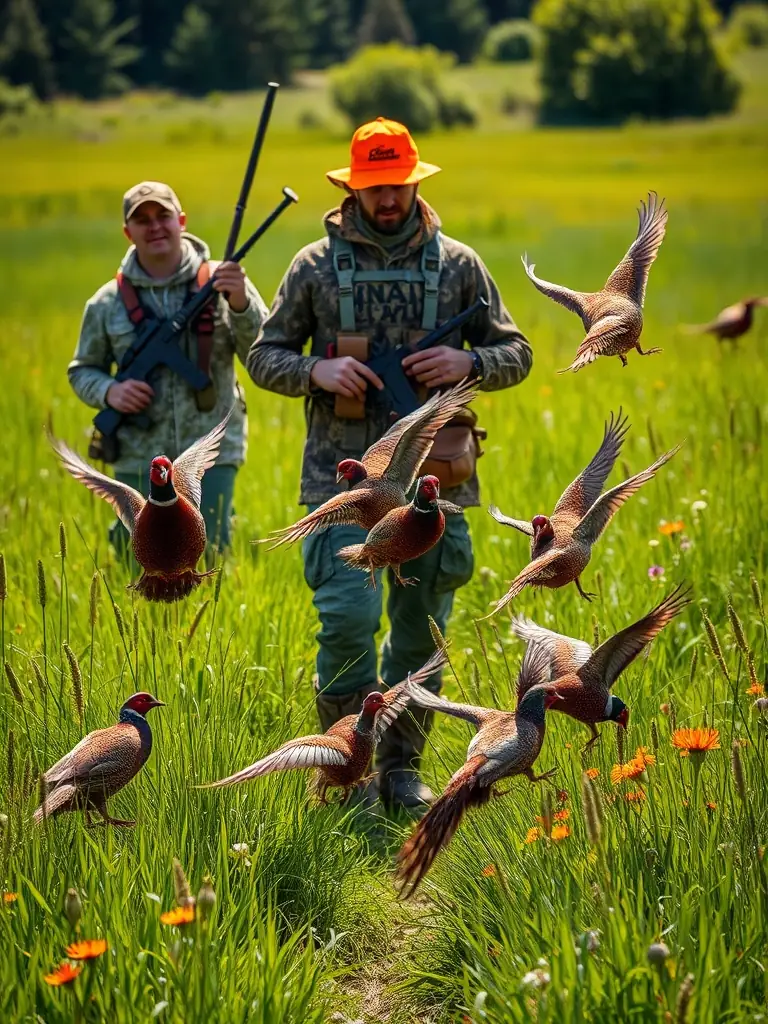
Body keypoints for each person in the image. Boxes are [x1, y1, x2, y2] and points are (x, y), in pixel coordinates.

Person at [247, 118, 532, 813]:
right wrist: (319, 369)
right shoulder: (314, 267)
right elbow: (262, 355)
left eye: (396, 185)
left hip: (436, 496)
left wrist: (471, 361)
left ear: (413, 181)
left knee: (418, 632)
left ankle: (402, 770)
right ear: (353, 185)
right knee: (346, 622)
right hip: (337, 490)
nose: (385, 200)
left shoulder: (459, 264)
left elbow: (517, 352)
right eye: (373, 187)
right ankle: (346, 775)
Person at [68, 181, 268, 551]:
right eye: (142, 220)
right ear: (129, 233)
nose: (155, 226)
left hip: (212, 452)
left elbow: (264, 353)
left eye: (163, 216)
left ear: (182, 221)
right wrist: (111, 391)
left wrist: (240, 302)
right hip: (136, 453)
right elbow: (81, 369)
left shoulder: (224, 282)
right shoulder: (106, 303)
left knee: (210, 550)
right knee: (140, 557)